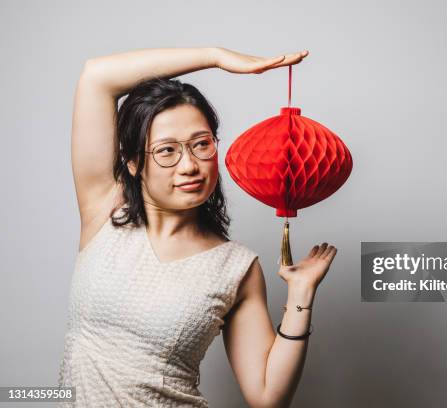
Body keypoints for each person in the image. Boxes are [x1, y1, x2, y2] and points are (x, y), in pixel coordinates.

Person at [58, 47, 338, 408]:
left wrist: (301, 295)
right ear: (132, 162)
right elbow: (97, 77)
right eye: (167, 151)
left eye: (201, 145)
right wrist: (215, 57)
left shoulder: (235, 266)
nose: (189, 165)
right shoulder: (103, 210)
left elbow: (268, 396)